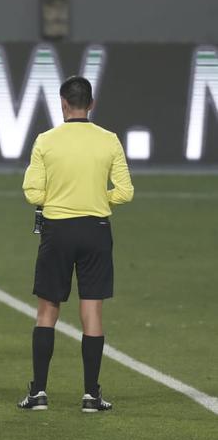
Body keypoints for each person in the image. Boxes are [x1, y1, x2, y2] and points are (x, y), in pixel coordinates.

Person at [18, 76, 134, 412]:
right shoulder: (108, 140)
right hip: (96, 229)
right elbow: (125, 192)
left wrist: (58, 198)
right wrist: (100, 198)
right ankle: (91, 395)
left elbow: (33, 193)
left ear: (63, 103)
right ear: (91, 104)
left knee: (47, 310)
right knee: (92, 311)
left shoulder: (46, 141)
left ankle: (38, 392)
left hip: (57, 230)